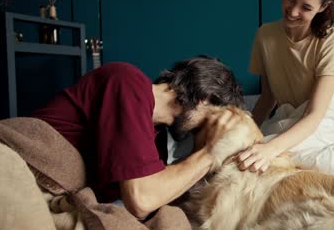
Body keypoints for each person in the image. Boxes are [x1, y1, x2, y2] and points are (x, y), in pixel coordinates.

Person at [31, 56, 244, 219]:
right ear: (205, 99)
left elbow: (143, 206)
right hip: (26, 162)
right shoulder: (126, 81)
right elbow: (141, 200)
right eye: (210, 123)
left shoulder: (156, 143)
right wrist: (211, 151)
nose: (205, 132)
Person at [238, 0, 334, 172]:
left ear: (323, 7)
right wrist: (245, 135)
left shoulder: (333, 42)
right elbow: (267, 99)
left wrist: (270, 149)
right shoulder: (265, 35)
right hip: (287, 119)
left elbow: (315, 115)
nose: (292, 11)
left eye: (306, 7)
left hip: (325, 123)